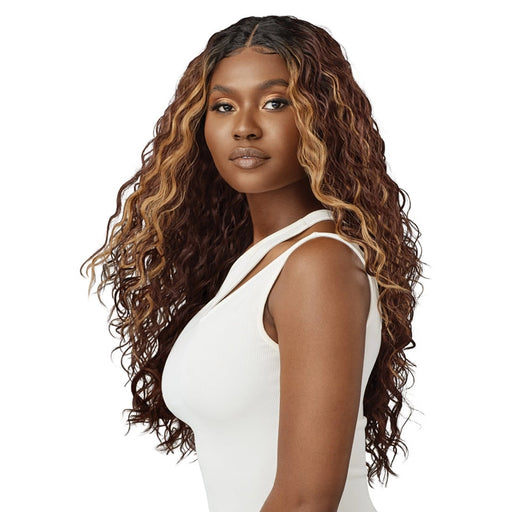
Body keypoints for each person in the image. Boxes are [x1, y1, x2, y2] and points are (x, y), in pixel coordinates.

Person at [82, 15, 424, 512]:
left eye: (275, 103)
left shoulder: (318, 264)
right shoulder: (253, 266)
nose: (244, 127)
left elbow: (306, 500)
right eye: (223, 106)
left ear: (320, 117)